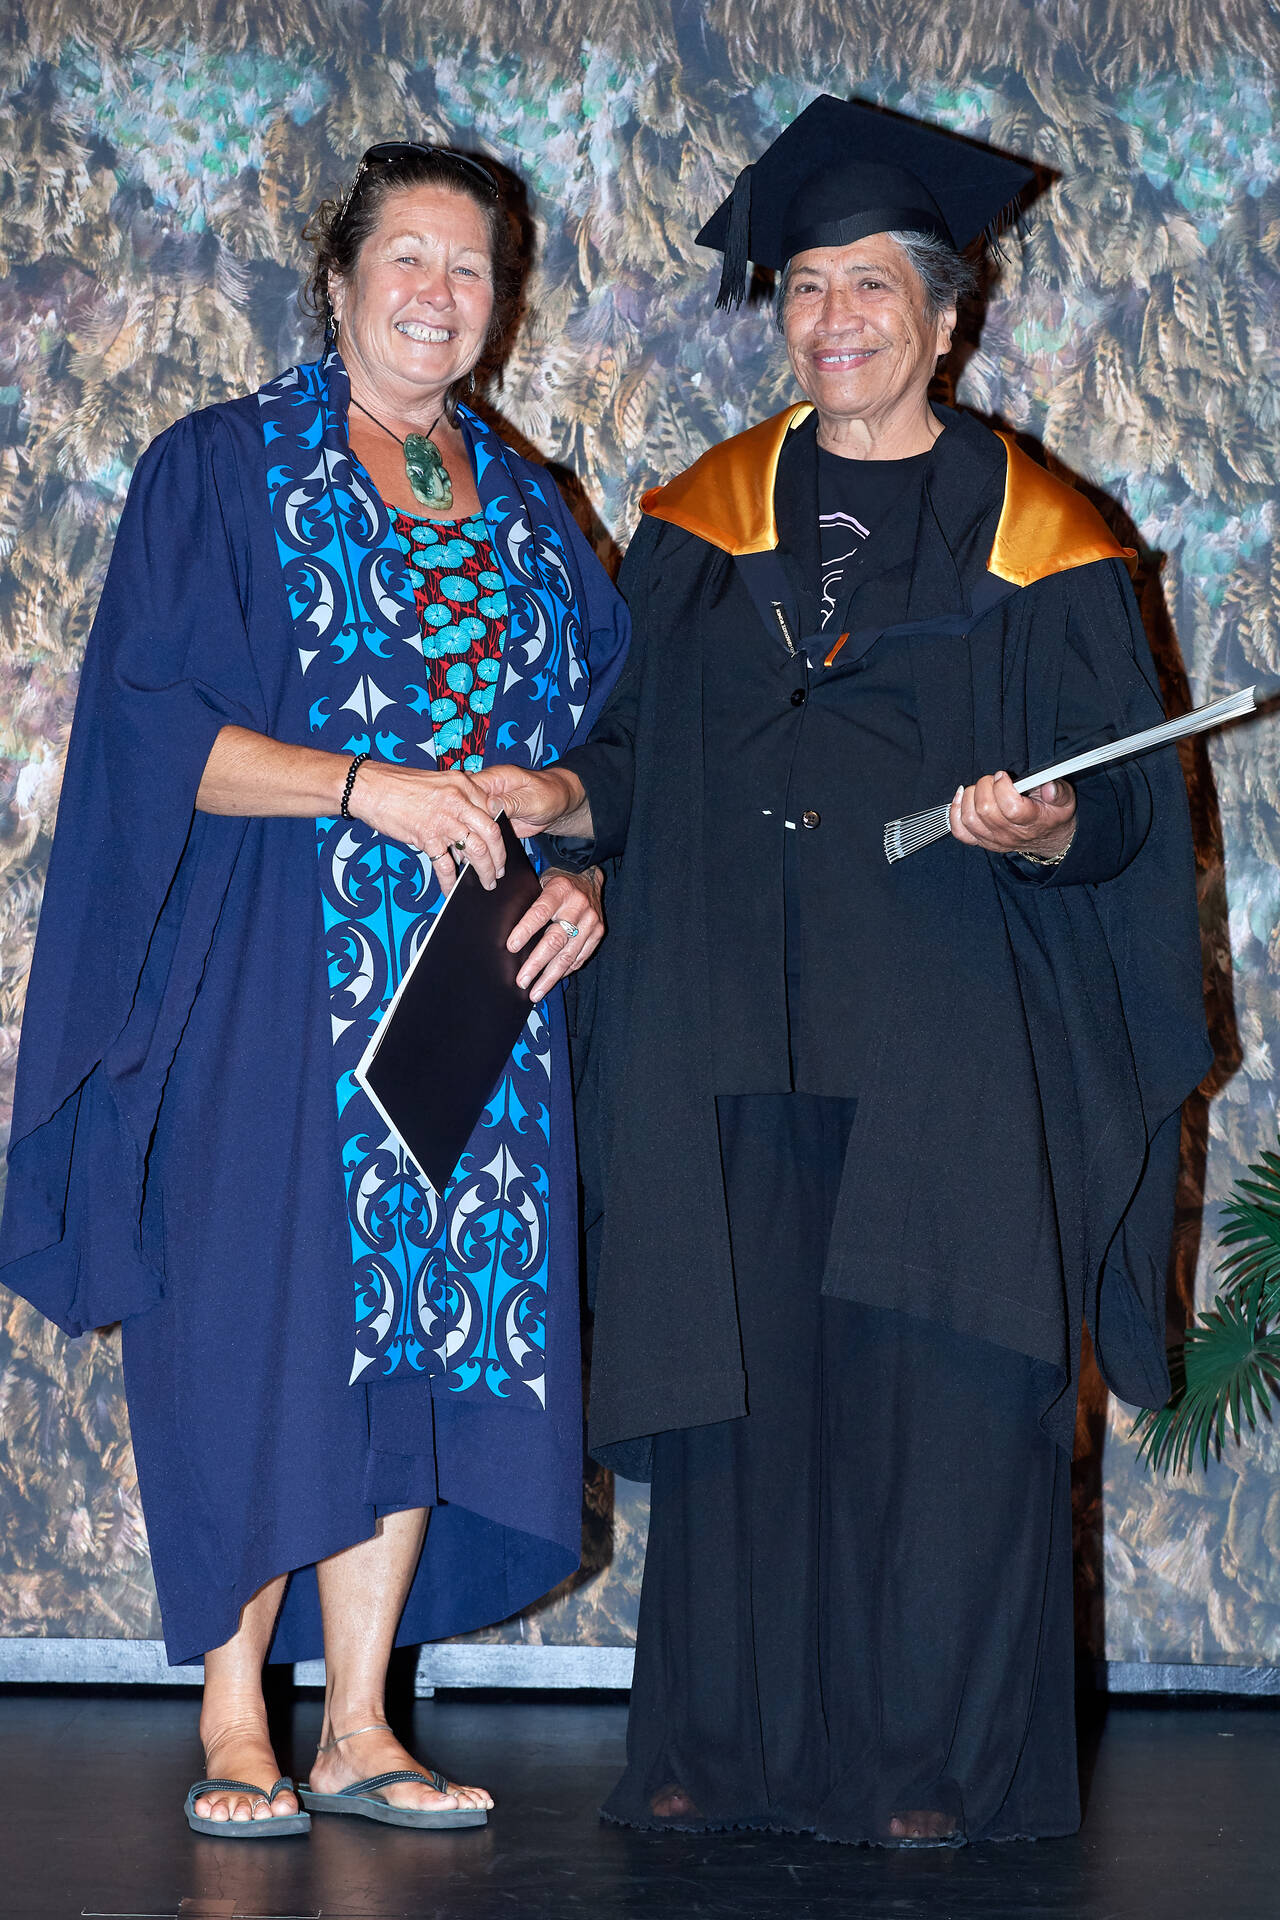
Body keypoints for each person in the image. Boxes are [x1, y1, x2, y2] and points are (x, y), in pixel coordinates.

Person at [479, 97, 1210, 1846]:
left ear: (948, 315)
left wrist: (1051, 826)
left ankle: (929, 1770)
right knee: (745, 1395)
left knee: (941, 1405)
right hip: (732, 1023)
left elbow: (1127, 807)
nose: (835, 318)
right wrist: (567, 797)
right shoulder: (702, 524)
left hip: (950, 1041)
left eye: (873, 284)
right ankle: (720, 1749)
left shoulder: (1050, 542)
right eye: (807, 286)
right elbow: (636, 752)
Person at [0, 142, 627, 1836]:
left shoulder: (529, 508)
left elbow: (607, 749)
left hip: (478, 1003)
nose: (438, 291)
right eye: (406, 256)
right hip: (274, 982)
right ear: (338, 280)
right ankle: (235, 1718)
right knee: (252, 1326)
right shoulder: (221, 469)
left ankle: (358, 1722)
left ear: (502, 306)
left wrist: (574, 846)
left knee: (425, 1331)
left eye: (471, 268)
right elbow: (155, 738)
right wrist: (368, 789)